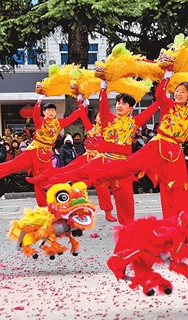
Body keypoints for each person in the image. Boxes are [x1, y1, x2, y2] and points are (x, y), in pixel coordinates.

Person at [86, 76, 188, 218]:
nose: (178, 93)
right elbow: (159, 94)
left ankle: (174, 222)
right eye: (177, 90)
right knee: (128, 166)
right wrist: (166, 77)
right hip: (157, 145)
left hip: (175, 153)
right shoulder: (168, 105)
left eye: (183, 92)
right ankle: (91, 178)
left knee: (176, 188)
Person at [35, 85, 160, 224]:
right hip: (104, 159)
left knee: (126, 202)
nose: (120, 105)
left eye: (124, 103)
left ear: (131, 109)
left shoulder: (134, 122)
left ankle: (126, 229)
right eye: (118, 102)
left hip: (122, 165)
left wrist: (165, 81)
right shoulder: (108, 119)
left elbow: (153, 108)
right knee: (75, 173)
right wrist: (103, 88)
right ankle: (48, 181)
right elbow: (103, 105)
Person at [0, 98, 84, 206]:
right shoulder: (40, 121)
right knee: (13, 165)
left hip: (45, 156)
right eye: (48, 110)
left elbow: (72, 117)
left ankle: (45, 205)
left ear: (55, 112)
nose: (50, 112)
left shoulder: (59, 123)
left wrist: (82, 106)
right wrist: (39, 102)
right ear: (44, 112)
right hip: (33, 151)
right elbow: (35, 114)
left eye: (52, 110)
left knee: (43, 180)